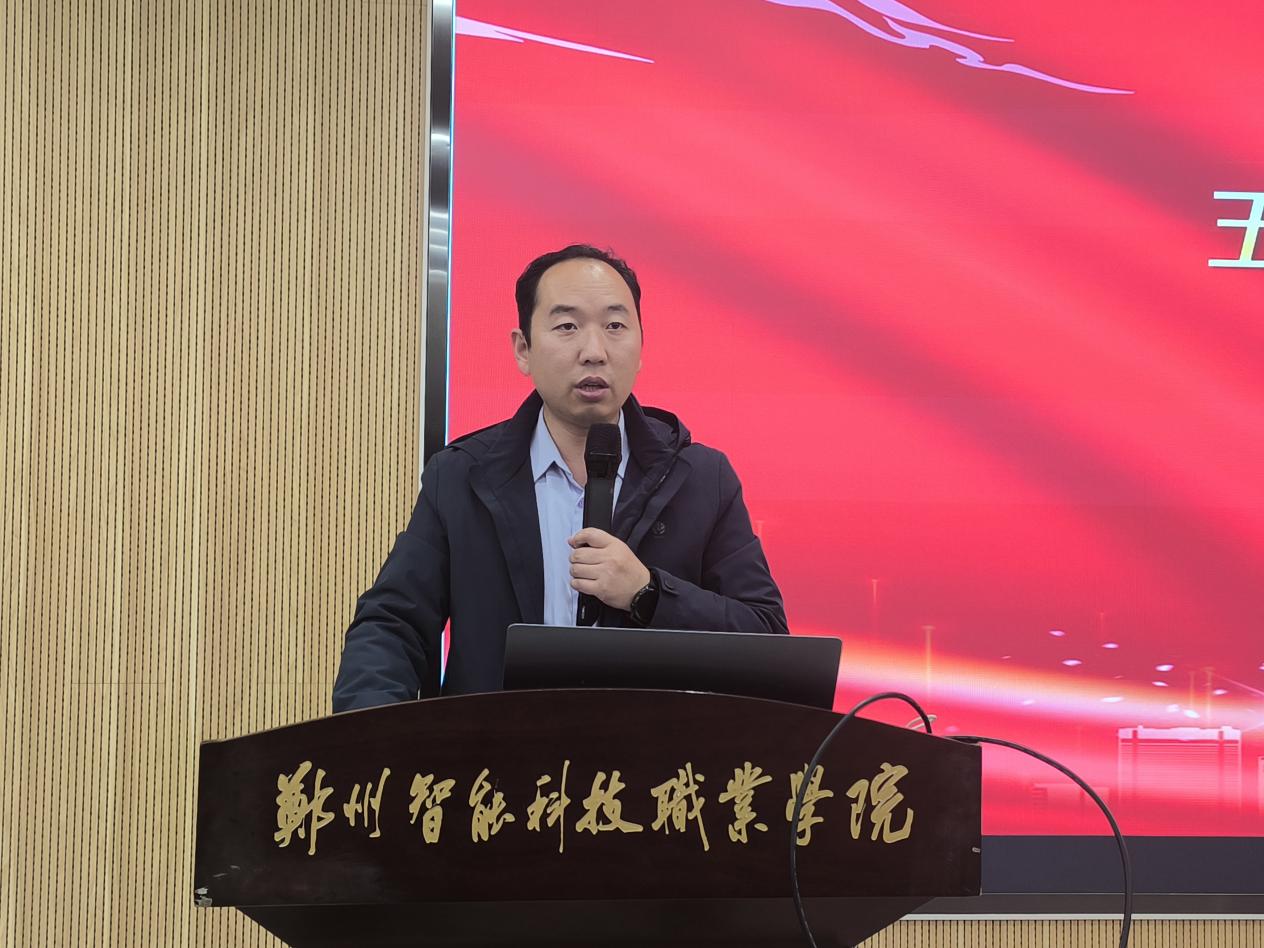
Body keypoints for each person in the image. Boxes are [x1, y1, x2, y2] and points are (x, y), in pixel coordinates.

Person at [332, 245, 787, 712]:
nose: (594, 352)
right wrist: (372, 735)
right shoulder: (461, 476)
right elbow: (393, 624)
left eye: (615, 326)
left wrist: (649, 594)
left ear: (641, 346)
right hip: (496, 751)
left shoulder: (702, 479)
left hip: (651, 753)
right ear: (523, 350)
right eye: (567, 326)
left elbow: (767, 636)